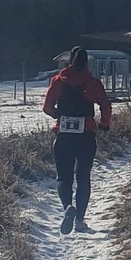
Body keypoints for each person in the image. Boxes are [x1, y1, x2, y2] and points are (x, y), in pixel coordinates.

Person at [42, 46, 113, 234]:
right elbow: (105, 104)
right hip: (86, 136)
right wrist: (104, 124)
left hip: (64, 136)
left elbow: (47, 107)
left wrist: (58, 115)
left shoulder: (58, 81)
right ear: (87, 63)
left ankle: (68, 207)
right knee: (83, 177)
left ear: (69, 61)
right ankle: (80, 220)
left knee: (63, 177)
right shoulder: (93, 83)